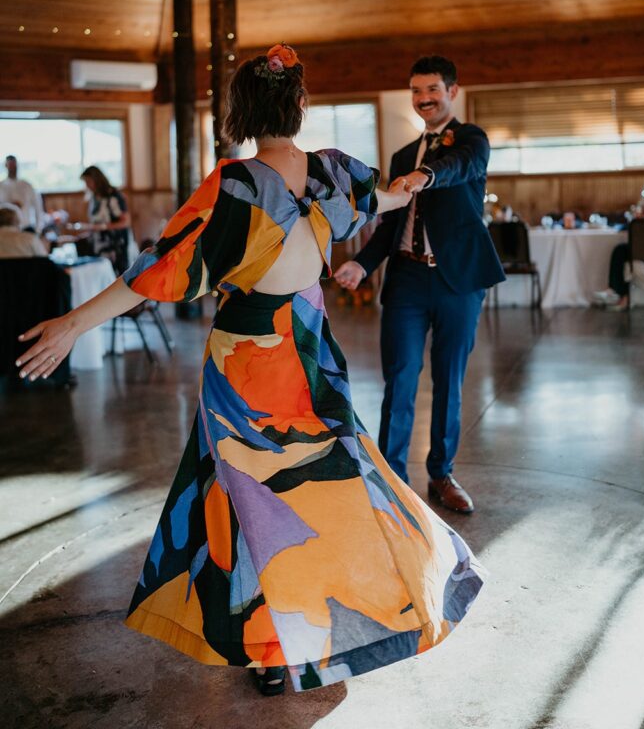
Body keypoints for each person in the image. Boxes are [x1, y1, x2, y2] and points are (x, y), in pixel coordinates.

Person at [16, 44, 485, 697]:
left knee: (252, 505)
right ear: (300, 103)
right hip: (311, 351)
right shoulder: (333, 171)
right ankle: (339, 618)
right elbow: (379, 200)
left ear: (240, 112)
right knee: (329, 485)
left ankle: (276, 646)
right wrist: (409, 185)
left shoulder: (232, 185)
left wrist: (72, 323)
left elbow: (156, 268)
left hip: (245, 365)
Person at [335, 56, 505, 514]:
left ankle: (441, 474)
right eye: (416, 90)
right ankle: (392, 478)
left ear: (452, 90)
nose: (424, 98)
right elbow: (390, 228)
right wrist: (364, 266)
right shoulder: (399, 155)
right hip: (407, 278)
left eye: (432, 89)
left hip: (458, 281)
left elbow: (459, 166)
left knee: (449, 380)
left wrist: (424, 176)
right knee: (401, 377)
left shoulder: (472, 140)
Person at [593, 181, 644, 311]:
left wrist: (640, 220)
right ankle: (620, 294)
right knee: (620, 250)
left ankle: (618, 292)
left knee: (620, 251)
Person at [80, 165, 132, 275]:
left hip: (117, 246)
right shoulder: (93, 198)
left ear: (97, 180)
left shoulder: (113, 196)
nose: (87, 185)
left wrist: (103, 227)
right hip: (99, 246)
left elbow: (126, 222)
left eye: (89, 181)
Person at [0, 155, 45, 232]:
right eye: (10, 165)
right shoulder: (1, 186)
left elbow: (38, 207)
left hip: (25, 227)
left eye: (14, 164)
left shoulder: (27, 185)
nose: (12, 168)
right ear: (6, 166)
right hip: (5, 230)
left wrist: (38, 229)